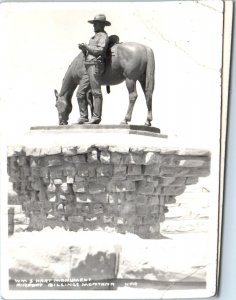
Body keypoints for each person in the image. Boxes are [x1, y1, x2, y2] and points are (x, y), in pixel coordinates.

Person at [77, 14, 110, 124]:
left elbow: (99, 51)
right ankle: (83, 116)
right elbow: (91, 51)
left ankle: (96, 117)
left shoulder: (103, 36)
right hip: (88, 65)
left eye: (96, 24)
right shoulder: (94, 37)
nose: (94, 26)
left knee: (96, 92)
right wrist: (84, 48)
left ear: (101, 25)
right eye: (94, 24)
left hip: (95, 65)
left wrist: (86, 46)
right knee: (80, 93)